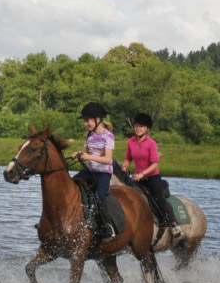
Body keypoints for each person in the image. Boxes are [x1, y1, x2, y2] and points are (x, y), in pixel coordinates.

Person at [122, 113, 182, 238]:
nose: (138, 128)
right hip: (138, 179)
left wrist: (142, 174)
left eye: (141, 126)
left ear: (147, 129)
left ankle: (173, 224)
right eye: (136, 126)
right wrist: (125, 166)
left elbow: (155, 164)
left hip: (153, 178)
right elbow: (128, 158)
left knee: (159, 200)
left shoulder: (151, 143)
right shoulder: (131, 142)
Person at [70, 102, 116, 241]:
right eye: (85, 121)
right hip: (90, 171)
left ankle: (108, 226)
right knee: (70, 186)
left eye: (87, 120)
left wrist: (89, 157)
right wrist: (78, 154)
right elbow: (86, 152)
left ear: (98, 120)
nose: (86, 124)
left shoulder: (108, 136)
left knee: (99, 197)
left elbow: (108, 159)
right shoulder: (89, 135)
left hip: (103, 173)